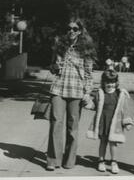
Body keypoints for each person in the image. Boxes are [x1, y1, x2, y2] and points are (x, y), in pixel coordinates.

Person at [46, 17, 96, 171]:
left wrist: (88, 92)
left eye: (75, 29)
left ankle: (69, 161)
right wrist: (55, 66)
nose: (71, 31)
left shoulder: (86, 49)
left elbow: (88, 74)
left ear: (80, 31)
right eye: (69, 28)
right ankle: (53, 160)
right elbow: (52, 69)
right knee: (56, 123)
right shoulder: (60, 46)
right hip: (58, 89)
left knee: (72, 128)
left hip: (76, 92)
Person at [84, 69, 134, 174]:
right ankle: (101, 161)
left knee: (113, 143)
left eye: (112, 82)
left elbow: (124, 109)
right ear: (103, 82)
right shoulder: (100, 93)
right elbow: (94, 105)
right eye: (107, 82)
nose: (110, 85)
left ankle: (114, 162)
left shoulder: (120, 94)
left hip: (115, 123)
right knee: (103, 142)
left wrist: (127, 123)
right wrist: (86, 102)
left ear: (116, 82)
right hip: (103, 122)